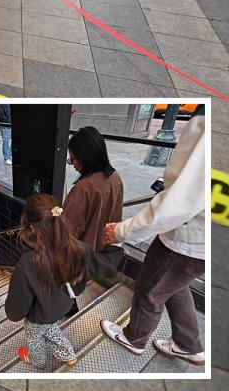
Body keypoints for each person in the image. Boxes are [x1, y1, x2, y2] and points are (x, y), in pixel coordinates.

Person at [101, 107, 206, 365]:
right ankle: (187, 344)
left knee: (149, 291)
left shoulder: (208, 129)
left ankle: (134, 339)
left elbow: (179, 203)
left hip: (184, 239)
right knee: (176, 284)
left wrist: (121, 231)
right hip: (202, 240)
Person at [5, 194, 117, 369]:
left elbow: (16, 309)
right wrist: (115, 242)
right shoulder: (80, 250)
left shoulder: (27, 264)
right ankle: (68, 355)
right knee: (51, 329)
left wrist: (13, 315)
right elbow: (108, 268)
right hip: (62, 308)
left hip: (39, 315)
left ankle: (38, 361)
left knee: (34, 336)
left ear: (31, 226)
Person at [62, 126, 124, 252]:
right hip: (104, 251)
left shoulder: (83, 189)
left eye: (73, 158)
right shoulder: (115, 177)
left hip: (82, 255)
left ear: (85, 156)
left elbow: (67, 231)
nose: (72, 163)